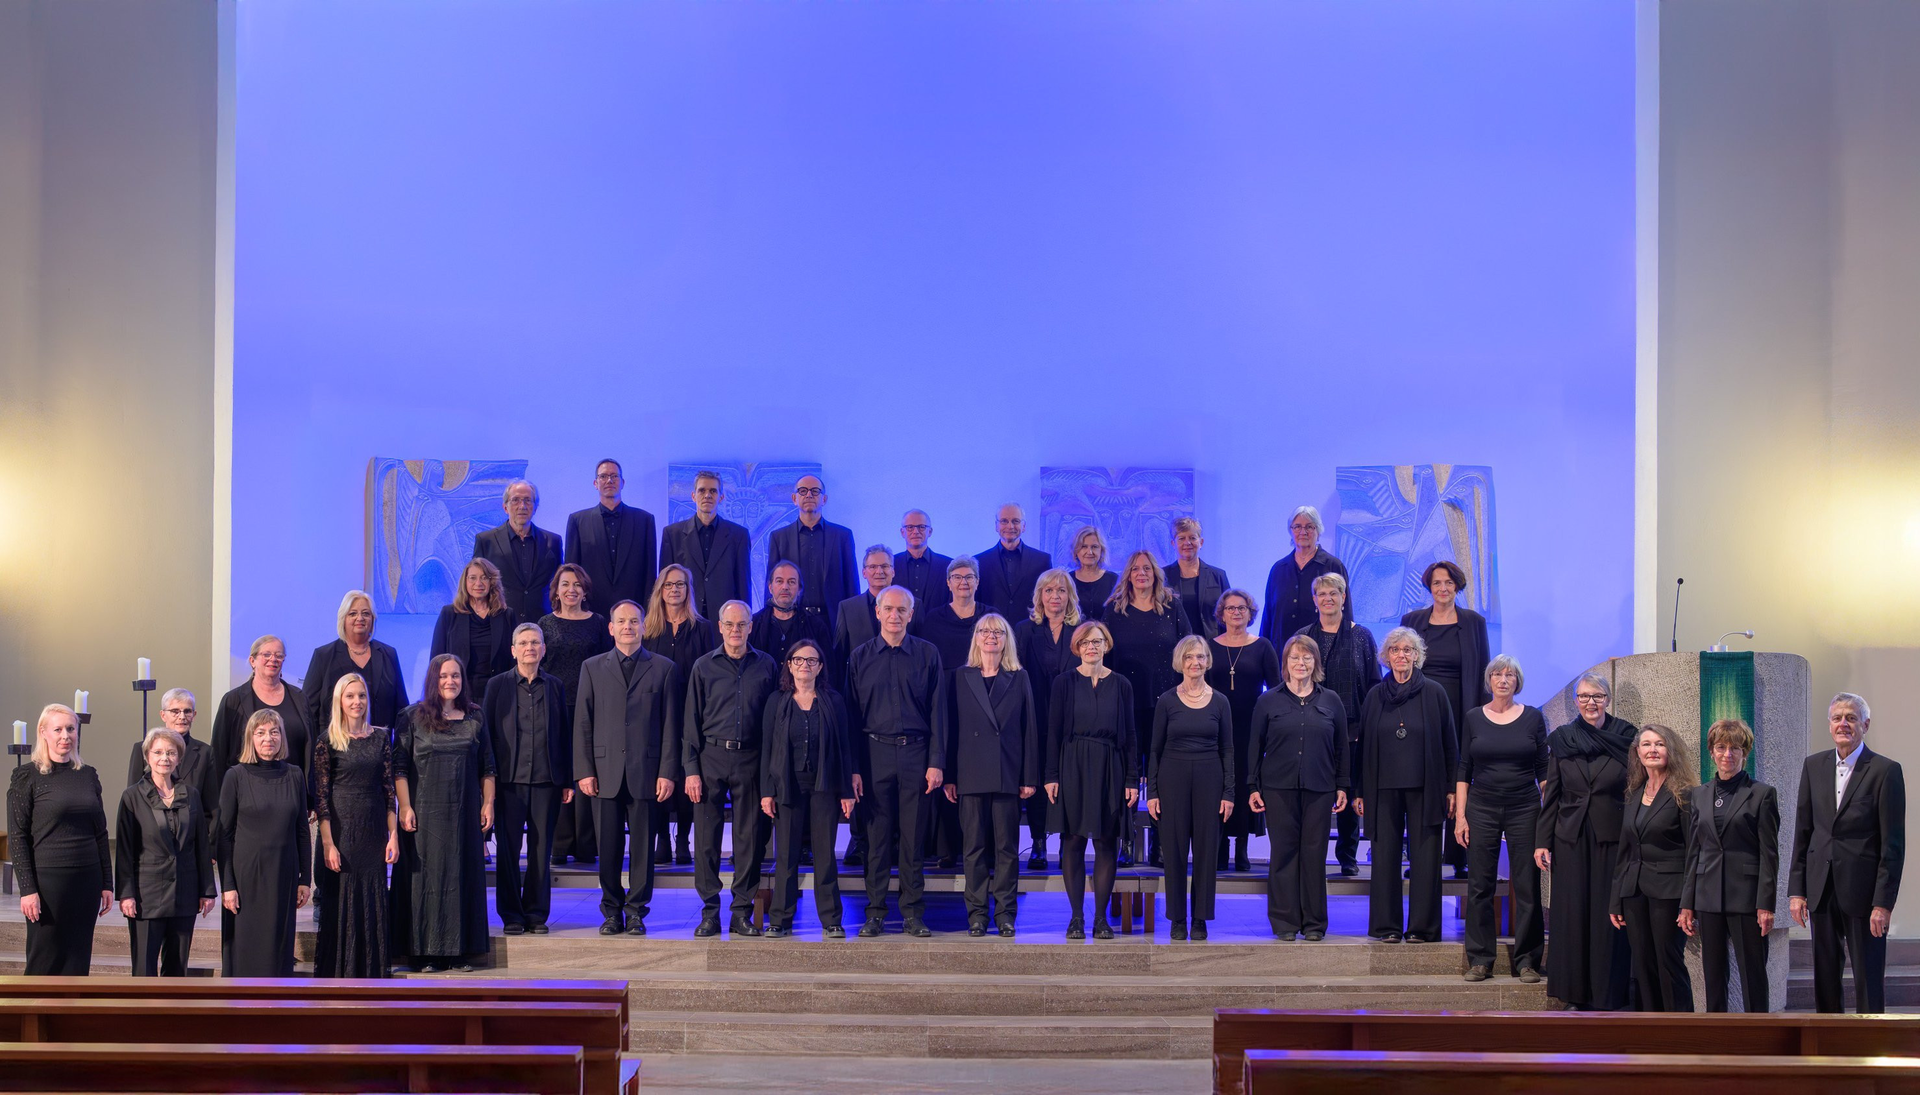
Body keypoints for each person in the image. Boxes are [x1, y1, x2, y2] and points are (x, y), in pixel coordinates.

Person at [1790, 692, 1907, 1014]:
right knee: (1825, 976)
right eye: (1837, 718)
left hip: (1864, 893)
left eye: (1851, 718)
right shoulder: (1813, 766)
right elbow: (1803, 832)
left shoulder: (1885, 770)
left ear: (1865, 725)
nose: (1843, 724)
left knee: (1868, 976)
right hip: (1821, 887)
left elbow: (1893, 845)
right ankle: (1828, 1039)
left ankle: (1871, 1039)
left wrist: (1883, 903)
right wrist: (1797, 892)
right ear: (1829, 725)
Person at [573, 600, 681, 935]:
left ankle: (636, 912)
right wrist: (584, 770)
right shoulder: (592, 667)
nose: (628, 627)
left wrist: (667, 771)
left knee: (643, 848)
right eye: (621, 621)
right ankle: (611, 911)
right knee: (607, 847)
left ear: (644, 626)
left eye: (634, 621)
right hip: (604, 772)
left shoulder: (664, 668)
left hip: (646, 771)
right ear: (611, 628)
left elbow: (671, 726)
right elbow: (583, 722)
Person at [845, 586, 946, 938]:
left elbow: (938, 711)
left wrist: (936, 761)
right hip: (874, 756)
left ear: (911, 614)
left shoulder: (928, 654)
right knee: (876, 840)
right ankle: (874, 913)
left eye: (902, 610)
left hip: (917, 755)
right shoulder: (859, 657)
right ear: (877, 612)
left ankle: (912, 913)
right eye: (888, 609)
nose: (895, 615)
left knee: (913, 840)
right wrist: (853, 768)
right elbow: (851, 717)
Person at [1535, 673, 1635, 1010]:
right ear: (1576, 701)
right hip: (1571, 838)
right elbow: (1553, 793)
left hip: (1612, 836)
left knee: (1608, 915)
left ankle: (1608, 994)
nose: (1590, 703)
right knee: (1572, 915)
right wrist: (1542, 841)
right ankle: (1574, 994)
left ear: (1608, 699)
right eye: (1583, 696)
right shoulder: (1563, 738)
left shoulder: (1626, 736)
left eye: (1597, 696)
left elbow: (1634, 790)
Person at [683, 601, 780, 938]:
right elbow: (690, 720)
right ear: (720, 627)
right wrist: (691, 769)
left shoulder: (767, 665)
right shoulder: (703, 666)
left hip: (751, 757)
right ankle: (710, 913)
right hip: (710, 756)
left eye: (742, 624)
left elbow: (774, 721)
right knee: (706, 841)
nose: (735, 630)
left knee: (749, 840)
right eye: (729, 624)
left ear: (751, 627)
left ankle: (741, 913)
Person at [1354, 627, 1457, 944]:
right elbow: (1363, 746)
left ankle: (1421, 928)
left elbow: (1450, 744)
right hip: (1382, 787)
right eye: (1395, 650)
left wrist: (1451, 788)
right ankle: (1387, 926)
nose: (1401, 655)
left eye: (1407, 650)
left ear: (1417, 655)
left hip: (1426, 787)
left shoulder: (1435, 693)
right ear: (1386, 656)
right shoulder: (1375, 696)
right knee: (1385, 857)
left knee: (1425, 859)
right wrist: (1359, 790)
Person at [396, 655, 495, 971]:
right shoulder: (411, 717)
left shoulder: (475, 716)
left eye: (455, 676)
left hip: (464, 814)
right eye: (443, 676)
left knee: (461, 878)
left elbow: (487, 766)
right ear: (432, 680)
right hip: (424, 814)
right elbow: (399, 768)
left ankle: (458, 951)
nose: (450, 681)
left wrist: (488, 803)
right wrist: (405, 806)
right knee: (426, 881)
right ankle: (426, 953)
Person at [944, 613, 1040, 937]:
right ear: (976, 638)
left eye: (998, 632)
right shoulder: (961, 677)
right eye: (985, 631)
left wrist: (1028, 776)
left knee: (1006, 849)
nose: (991, 636)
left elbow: (1029, 729)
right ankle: (976, 915)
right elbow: (952, 729)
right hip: (970, 773)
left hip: (1007, 772)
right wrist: (950, 775)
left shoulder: (1019, 677)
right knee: (973, 848)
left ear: (1006, 639)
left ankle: (1005, 914)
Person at [1454, 654, 1547, 983]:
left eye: (1510, 675)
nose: (1503, 680)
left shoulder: (1533, 718)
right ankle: (1480, 960)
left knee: (1527, 885)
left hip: (1525, 808)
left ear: (1517, 681)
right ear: (1489, 680)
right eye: (1497, 674)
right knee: (1480, 885)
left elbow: (1543, 769)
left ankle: (1527, 962)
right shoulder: (1473, 718)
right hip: (1482, 807)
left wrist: (1550, 816)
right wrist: (1461, 816)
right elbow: (1464, 769)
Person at [1247, 636, 1347, 941]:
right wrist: (1253, 786)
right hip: (1278, 788)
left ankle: (1314, 924)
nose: (1300, 663)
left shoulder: (1331, 700)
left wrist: (1343, 785)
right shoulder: (1268, 701)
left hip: (1320, 788)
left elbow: (1341, 748)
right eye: (1294, 658)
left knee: (1314, 856)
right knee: (1284, 854)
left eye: (1307, 658)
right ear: (1285, 663)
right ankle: (1285, 922)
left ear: (1316, 662)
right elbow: (1255, 746)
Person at [1044, 621, 1137, 940]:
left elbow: (1131, 734)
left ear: (1106, 645)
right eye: (1085, 642)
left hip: (1110, 765)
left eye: (1097, 641)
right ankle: (1076, 918)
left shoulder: (1122, 684)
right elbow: (1053, 731)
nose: (1091, 647)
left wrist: (1131, 778)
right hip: (1073, 764)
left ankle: (1100, 919)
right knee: (1073, 841)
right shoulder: (1064, 682)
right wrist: (1051, 775)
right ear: (1077, 647)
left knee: (1106, 842)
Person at [1680, 718, 1780, 1013]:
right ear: (1711, 751)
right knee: (1713, 976)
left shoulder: (1762, 794)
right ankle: (1717, 1033)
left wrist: (1766, 904)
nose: (1727, 754)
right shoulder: (1699, 795)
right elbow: (1694, 851)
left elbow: (1769, 854)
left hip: (1747, 898)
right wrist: (1687, 904)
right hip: (1708, 897)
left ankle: (1759, 1034)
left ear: (1744, 752)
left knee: (1753, 975)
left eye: (1735, 748)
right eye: (1721, 747)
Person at [760, 638, 858, 937]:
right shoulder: (776, 701)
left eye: (811, 660)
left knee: (825, 855)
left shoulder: (834, 701)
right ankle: (780, 919)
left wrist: (846, 791)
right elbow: (767, 749)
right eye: (799, 660)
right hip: (787, 786)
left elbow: (844, 747)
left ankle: (831, 920)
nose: (805, 665)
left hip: (824, 786)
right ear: (789, 666)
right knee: (786, 856)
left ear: (820, 667)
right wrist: (767, 791)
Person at [482, 625, 572, 936]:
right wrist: (487, 781)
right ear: (513, 650)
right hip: (509, 782)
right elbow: (487, 735)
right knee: (508, 850)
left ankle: (535, 913)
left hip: (547, 780)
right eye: (523, 643)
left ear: (544, 649)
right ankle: (511, 915)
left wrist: (567, 779)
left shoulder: (555, 686)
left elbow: (563, 733)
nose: (529, 647)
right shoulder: (497, 685)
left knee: (541, 850)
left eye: (535, 642)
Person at [1400, 561, 1488, 879]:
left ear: (1458, 586)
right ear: (1429, 586)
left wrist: (1483, 720)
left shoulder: (1474, 622)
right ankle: (1420, 857)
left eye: (1449, 582)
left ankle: (1458, 855)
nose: (1443, 588)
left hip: (1461, 711)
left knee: (1457, 779)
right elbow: (1401, 667)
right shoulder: (1412, 621)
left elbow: (1483, 672)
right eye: (1437, 583)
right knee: (1420, 783)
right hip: (1420, 711)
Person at [9, 704, 112, 976]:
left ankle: (73, 1005)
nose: (65, 735)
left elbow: (101, 832)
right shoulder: (27, 776)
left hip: (87, 879)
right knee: (44, 957)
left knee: (78, 956)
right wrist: (27, 889)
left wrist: (107, 882)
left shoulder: (87, 774)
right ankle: (37, 1005)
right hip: (48, 883)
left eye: (71, 729)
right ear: (43, 732)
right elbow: (17, 837)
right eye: (58, 729)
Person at [1103, 550, 1187, 866]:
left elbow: (1187, 649)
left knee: (1160, 774)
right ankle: (1126, 841)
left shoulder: (1172, 606)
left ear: (1155, 573)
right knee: (1125, 773)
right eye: (1136, 568)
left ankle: (1160, 843)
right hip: (1123, 704)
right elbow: (1103, 657)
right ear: (1128, 574)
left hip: (1164, 704)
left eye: (1147, 568)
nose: (1141, 573)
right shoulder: (1114, 610)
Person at [1147, 635, 1234, 941]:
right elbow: (1154, 749)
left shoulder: (1220, 701)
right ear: (1179, 662)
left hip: (1210, 779)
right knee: (1174, 852)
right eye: (1188, 657)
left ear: (1207, 661)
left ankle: (1200, 918)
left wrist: (1228, 793)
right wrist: (1152, 792)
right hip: (1172, 778)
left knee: (1207, 852)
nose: (1195, 662)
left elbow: (1228, 750)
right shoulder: (1167, 700)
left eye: (1200, 657)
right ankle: (1177, 918)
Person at [312, 673, 397, 977]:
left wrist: (393, 836)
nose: (356, 701)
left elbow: (389, 791)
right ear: (339, 701)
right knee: (341, 899)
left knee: (372, 897)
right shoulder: (327, 741)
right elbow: (321, 799)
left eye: (361, 695)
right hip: (341, 831)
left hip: (373, 831)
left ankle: (370, 971)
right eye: (350, 696)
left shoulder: (381, 737)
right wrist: (328, 844)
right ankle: (340, 973)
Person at [1608, 723, 1697, 1012]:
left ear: (1670, 750)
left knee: (1668, 961)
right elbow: (1625, 850)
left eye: (1659, 744)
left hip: (1670, 893)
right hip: (1634, 892)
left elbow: (1694, 851)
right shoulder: (1634, 792)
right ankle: (1650, 1026)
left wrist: (1689, 903)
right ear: (1637, 752)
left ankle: (1680, 1028)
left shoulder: (1685, 794)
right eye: (1646, 744)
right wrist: (1616, 899)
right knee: (1642, 963)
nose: (1653, 750)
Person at [217, 709, 311, 977]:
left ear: (282, 736)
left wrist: (305, 879)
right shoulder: (235, 776)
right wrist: (228, 885)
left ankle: (277, 999)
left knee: (278, 946)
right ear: (251, 738)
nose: (268, 738)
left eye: (274, 732)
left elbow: (302, 831)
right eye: (260, 733)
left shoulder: (294, 775)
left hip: (283, 874)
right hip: (246, 877)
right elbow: (224, 836)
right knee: (246, 946)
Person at [116, 727, 215, 977]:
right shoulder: (132, 797)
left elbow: (201, 846)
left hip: (185, 892)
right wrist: (126, 894)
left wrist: (206, 890)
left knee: (177, 969)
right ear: (147, 757)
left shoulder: (191, 795)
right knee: (144, 969)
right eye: (158, 752)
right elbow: (125, 850)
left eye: (171, 753)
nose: (165, 758)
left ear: (179, 758)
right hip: (146, 895)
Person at [1298, 572, 1378, 876]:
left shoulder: (1362, 636)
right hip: (1311, 727)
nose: (1328, 598)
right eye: (1322, 594)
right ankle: (1312, 855)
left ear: (1344, 598)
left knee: (1348, 791)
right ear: (1314, 599)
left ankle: (1347, 856)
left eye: (1334, 593)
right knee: (1315, 795)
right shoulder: (1304, 637)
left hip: (1352, 729)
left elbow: (1373, 683)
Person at [643, 564, 717, 866]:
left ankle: (684, 838)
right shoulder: (648, 629)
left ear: (688, 590)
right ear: (660, 590)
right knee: (659, 772)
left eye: (680, 584)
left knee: (689, 773)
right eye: (669, 584)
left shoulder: (703, 628)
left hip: (692, 710)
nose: (674, 589)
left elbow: (711, 671)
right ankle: (662, 837)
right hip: (656, 711)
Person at [540, 563, 610, 866]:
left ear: (585, 591)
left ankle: (586, 844)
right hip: (554, 707)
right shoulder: (544, 623)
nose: (571, 590)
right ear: (556, 591)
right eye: (565, 584)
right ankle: (559, 843)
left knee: (587, 772)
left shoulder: (598, 623)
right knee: (558, 773)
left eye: (577, 584)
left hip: (591, 707)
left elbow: (608, 664)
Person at [1209, 589, 1281, 873]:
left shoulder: (1262, 646)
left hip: (1251, 726)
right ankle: (1219, 846)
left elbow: (1275, 689)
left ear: (1250, 613)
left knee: (1245, 782)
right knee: (1218, 782)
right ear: (1221, 613)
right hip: (1216, 726)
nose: (1236, 612)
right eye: (1230, 608)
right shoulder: (1210, 646)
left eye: (1242, 608)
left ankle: (1242, 847)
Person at [1014, 568, 1081, 870]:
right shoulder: (1024, 630)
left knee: (1069, 782)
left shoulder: (1081, 631)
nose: (1055, 596)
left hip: (1072, 721)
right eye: (1049, 590)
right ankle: (1038, 843)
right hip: (1035, 718)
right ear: (1040, 596)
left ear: (1070, 596)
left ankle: (1068, 842)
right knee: (1038, 782)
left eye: (1061, 590)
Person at [299, 591, 409, 747]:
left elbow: (401, 710)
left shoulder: (388, 654)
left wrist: (400, 753)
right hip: (334, 749)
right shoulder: (323, 656)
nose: (360, 618)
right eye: (353, 614)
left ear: (373, 619)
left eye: (366, 613)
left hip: (380, 750)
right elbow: (308, 710)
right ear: (343, 619)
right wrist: (318, 749)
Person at [210, 635, 311, 802]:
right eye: (267, 655)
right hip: (246, 795)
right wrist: (222, 801)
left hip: (291, 793)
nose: (273, 659)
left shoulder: (299, 698)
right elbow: (219, 751)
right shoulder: (233, 700)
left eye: (279, 655)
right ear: (252, 661)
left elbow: (309, 747)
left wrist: (309, 797)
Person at [564, 458, 659, 615]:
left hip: (633, 611)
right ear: (595, 483)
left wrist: (648, 612)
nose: (609, 480)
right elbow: (572, 572)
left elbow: (650, 573)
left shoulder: (644, 520)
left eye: (614, 476)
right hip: (589, 612)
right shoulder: (578, 521)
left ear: (622, 482)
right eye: (603, 476)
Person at [767, 474, 857, 630]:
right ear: (794, 499)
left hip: (833, 621)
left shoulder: (842, 536)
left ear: (824, 499)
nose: (809, 495)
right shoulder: (779, 537)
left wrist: (854, 623)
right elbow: (771, 585)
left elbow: (851, 583)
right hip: (792, 621)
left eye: (815, 491)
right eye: (803, 491)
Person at [659, 470, 752, 618]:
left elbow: (743, 584)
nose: (707, 495)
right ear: (693, 496)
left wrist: (745, 619)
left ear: (721, 497)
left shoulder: (739, 535)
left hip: (725, 619)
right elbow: (665, 584)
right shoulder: (672, 534)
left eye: (713, 491)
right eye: (702, 490)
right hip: (685, 617)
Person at [125, 687, 218, 831]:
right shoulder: (143, 748)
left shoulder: (205, 753)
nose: (182, 717)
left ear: (194, 715)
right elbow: (133, 801)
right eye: (175, 711)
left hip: (191, 835)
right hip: (152, 835)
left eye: (187, 711)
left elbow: (211, 806)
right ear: (163, 715)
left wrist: (206, 841)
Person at [473, 478, 563, 624]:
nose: (522, 506)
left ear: (535, 507)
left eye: (528, 500)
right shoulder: (485, 541)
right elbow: (476, 585)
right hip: (499, 622)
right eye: (515, 500)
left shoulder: (553, 541)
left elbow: (560, 583)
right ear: (505, 507)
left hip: (543, 624)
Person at [1260, 506, 1349, 646]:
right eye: (1297, 527)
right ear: (1290, 530)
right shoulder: (1278, 569)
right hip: (1282, 650)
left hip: (1322, 651)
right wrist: (1263, 650)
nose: (1303, 532)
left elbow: (1346, 611)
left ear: (1318, 530)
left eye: (1309, 527)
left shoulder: (1333, 566)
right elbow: (1268, 616)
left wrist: (1347, 647)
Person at [430, 558, 516, 700]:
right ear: (465, 582)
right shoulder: (449, 614)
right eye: (472, 578)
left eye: (484, 578)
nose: (478, 583)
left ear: (492, 582)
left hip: (498, 693)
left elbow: (514, 658)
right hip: (459, 693)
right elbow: (436, 658)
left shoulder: (506, 615)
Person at [753, 560, 835, 670]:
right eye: (779, 581)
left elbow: (829, 670)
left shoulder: (816, 627)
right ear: (770, 588)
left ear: (799, 589)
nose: (785, 587)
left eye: (791, 582)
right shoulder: (753, 624)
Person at [833, 545, 895, 686]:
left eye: (884, 566)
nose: (879, 571)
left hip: (902, 687)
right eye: (872, 567)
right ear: (864, 573)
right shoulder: (847, 608)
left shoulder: (912, 605)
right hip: (861, 687)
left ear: (893, 571)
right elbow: (839, 657)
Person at [976, 503, 1052, 614]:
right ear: (996, 526)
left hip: (1031, 624)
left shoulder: (1042, 561)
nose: (1010, 526)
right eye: (1004, 521)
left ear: (1024, 526)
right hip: (991, 624)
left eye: (1015, 521)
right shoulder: (979, 562)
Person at [1163, 518, 1229, 641]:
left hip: (1211, 646)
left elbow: (1228, 614)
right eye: (1181, 538)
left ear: (1201, 542)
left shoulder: (1218, 575)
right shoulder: (1162, 577)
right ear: (1173, 543)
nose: (1187, 543)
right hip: (1174, 647)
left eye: (1192, 538)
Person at [892, 510, 952, 616]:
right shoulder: (891, 564)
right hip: (899, 624)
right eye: (910, 527)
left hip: (937, 624)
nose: (915, 531)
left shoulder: (948, 565)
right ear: (902, 532)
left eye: (921, 527)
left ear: (930, 531)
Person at [1068, 526, 1117, 621]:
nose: (1089, 552)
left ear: (1101, 550)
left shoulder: (1114, 580)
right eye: (1084, 547)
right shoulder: (1067, 580)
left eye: (1094, 547)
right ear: (1076, 551)